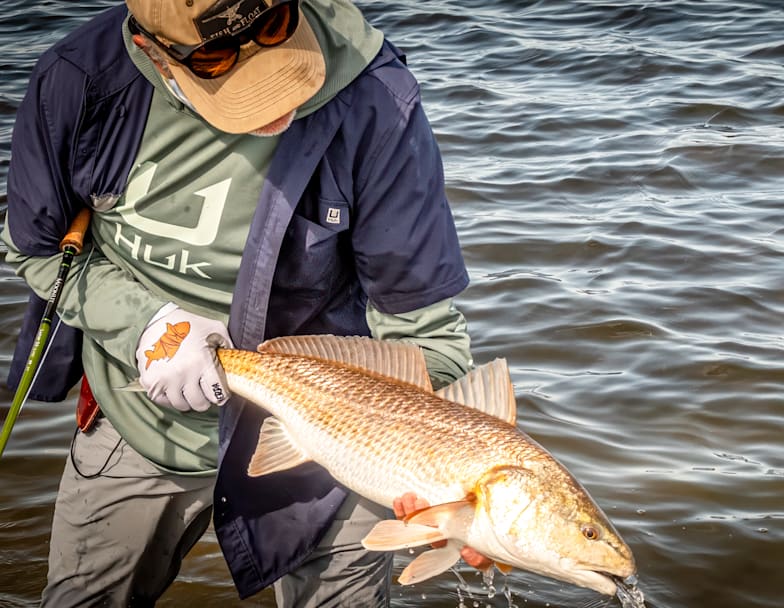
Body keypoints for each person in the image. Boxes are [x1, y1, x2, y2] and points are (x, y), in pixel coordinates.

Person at [2, 0, 488, 605]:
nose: (274, 95)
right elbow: (36, 249)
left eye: (277, 29)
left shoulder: (377, 97)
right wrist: (144, 326)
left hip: (334, 446)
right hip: (140, 417)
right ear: (154, 49)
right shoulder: (76, 81)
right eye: (214, 58)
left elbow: (425, 332)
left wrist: (450, 479)